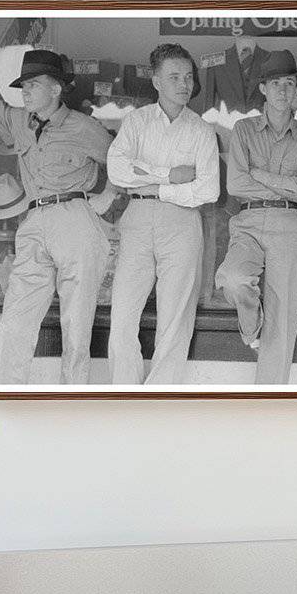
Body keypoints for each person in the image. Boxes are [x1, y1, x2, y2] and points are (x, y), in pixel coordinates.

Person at [0, 49, 115, 385]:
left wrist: (106, 200)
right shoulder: (18, 121)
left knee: (76, 325)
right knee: (15, 321)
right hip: (33, 220)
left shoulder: (85, 127)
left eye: (32, 85)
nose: (25, 92)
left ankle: (72, 403)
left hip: (75, 217)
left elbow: (121, 165)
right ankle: (8, 399)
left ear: (56, 89)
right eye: (23, 86)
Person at [106, 43, 220, 384]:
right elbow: (117, 171)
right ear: (156, 82)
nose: (183, 84)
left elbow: (208, 190)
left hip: (181, 223)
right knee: (123, 315)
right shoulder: (136, 122)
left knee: (175, 318)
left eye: (188, 77)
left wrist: (154, 186)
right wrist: (169, 176)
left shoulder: (201, 130)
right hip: (138, 221)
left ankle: (159, 395)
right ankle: (124, 394)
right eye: (174, 77)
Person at [215, 50, 297, 384]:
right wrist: (285, 187)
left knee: (283, 320)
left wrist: (261, 176)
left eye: (289, 83)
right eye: (275, 83)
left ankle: (269, 401)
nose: (282, 90)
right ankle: (251, 326)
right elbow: (235, 184)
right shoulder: (243, 130)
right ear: (263, 89)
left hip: (289, 227)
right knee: (232, 279)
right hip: (247, 223)